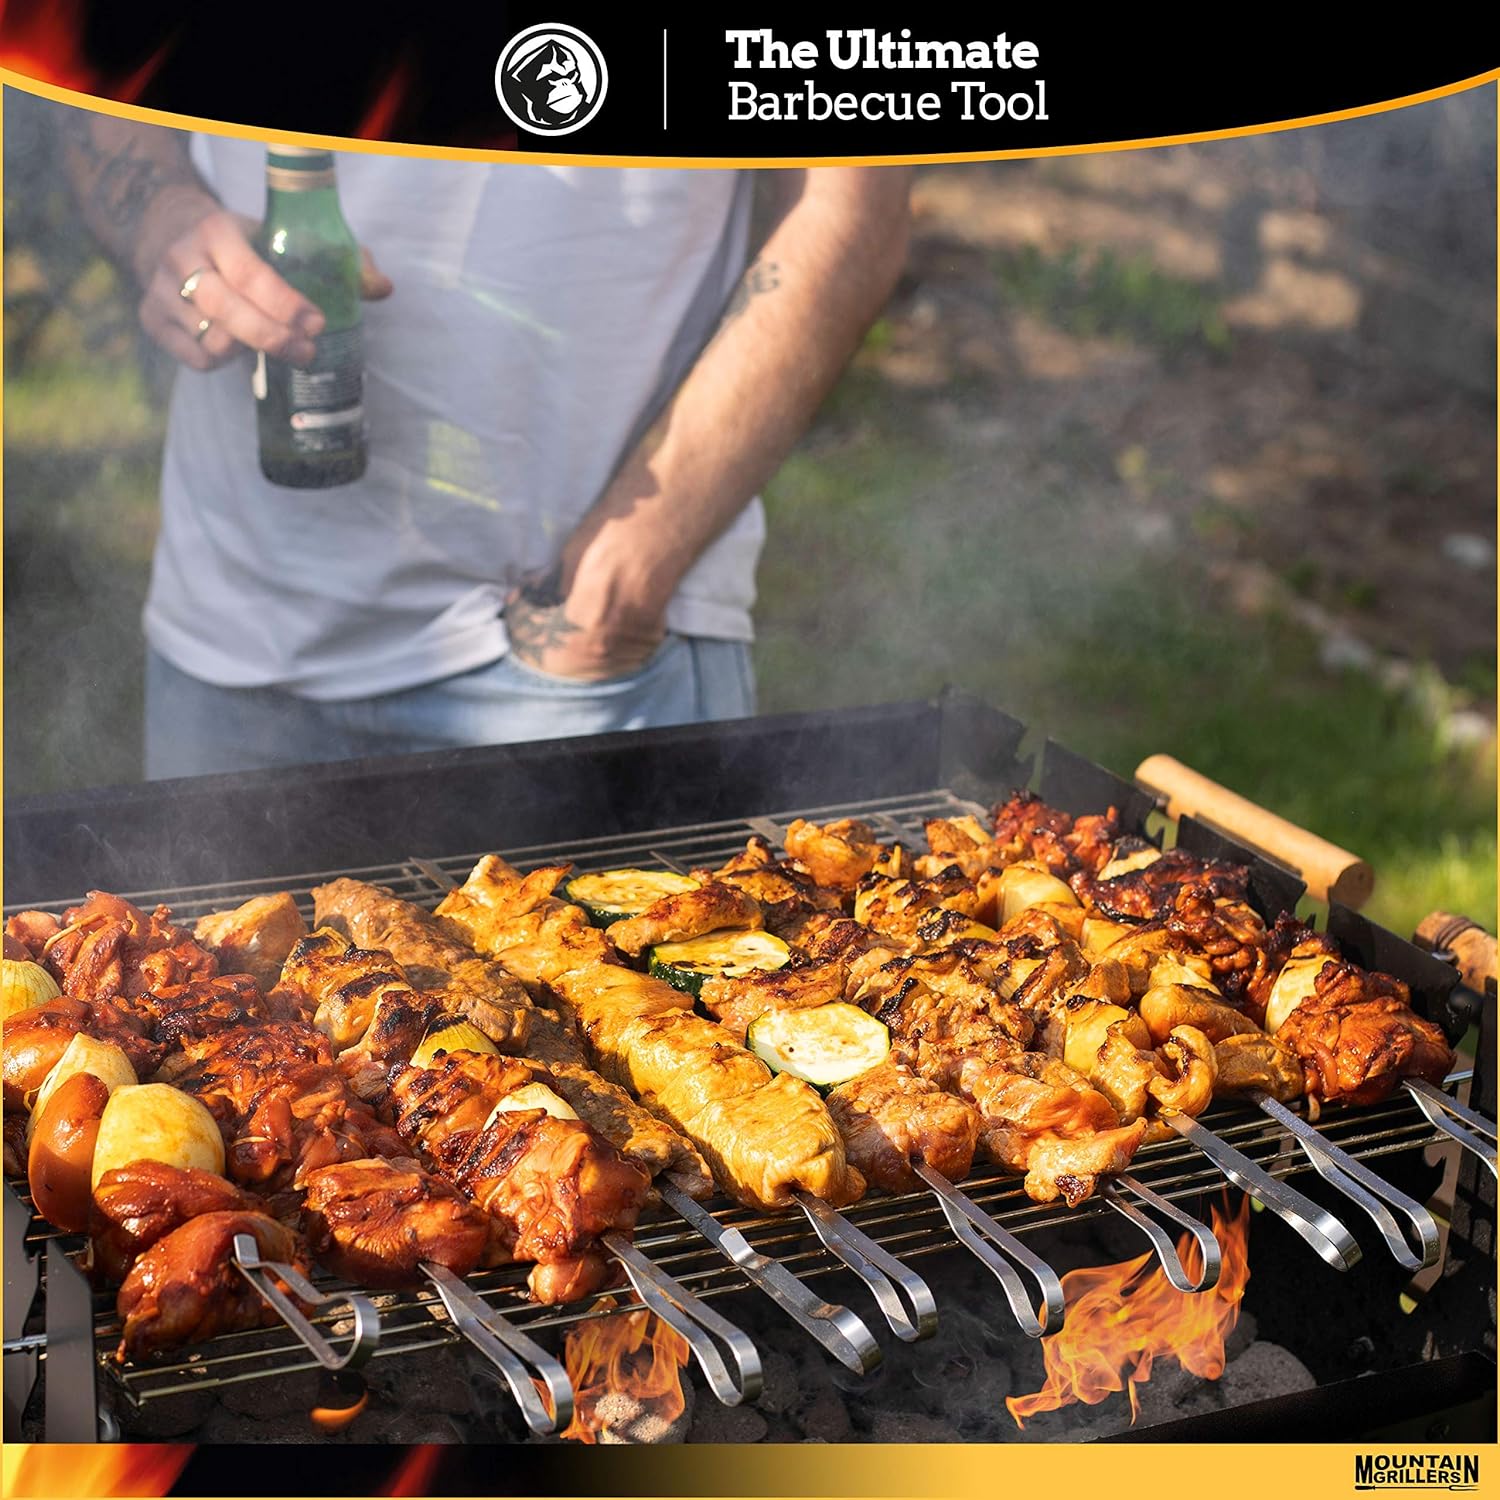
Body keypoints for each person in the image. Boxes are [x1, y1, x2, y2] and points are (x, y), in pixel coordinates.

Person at [59, 110, 912, 777]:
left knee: (644, 1006)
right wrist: (162, 217)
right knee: (193, 1003)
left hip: (576, 658)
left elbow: (846, 200)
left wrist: (620, 585)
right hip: (231, 635)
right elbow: (92, 60)